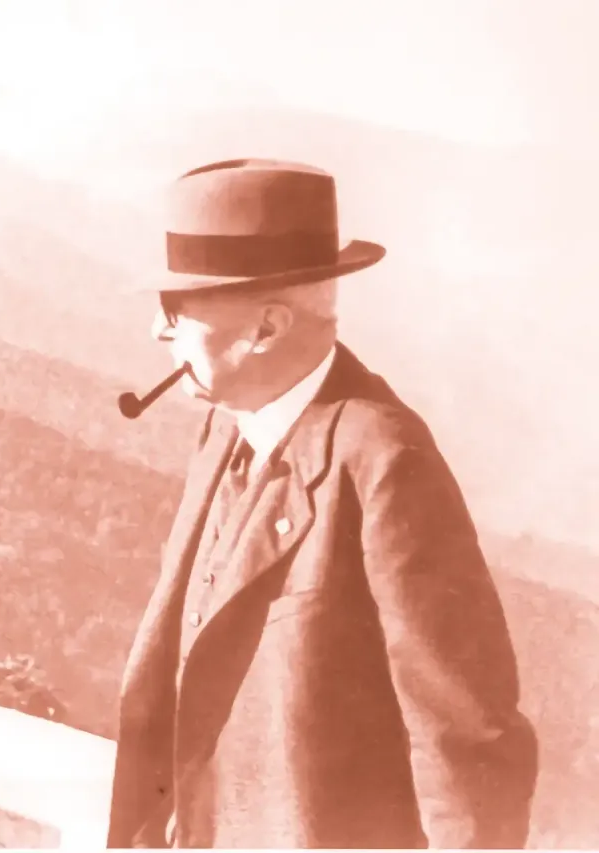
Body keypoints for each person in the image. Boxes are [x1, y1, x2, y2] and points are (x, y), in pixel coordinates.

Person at [107, 158, 538, 848]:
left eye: (176, 308)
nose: (160, 330)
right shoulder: (225, 427)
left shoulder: (387, 462)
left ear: (266, 329)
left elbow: (466, 739)